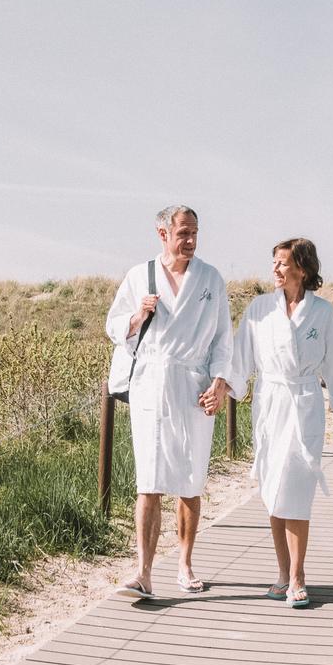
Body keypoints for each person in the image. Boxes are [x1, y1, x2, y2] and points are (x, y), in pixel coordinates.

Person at [104, 204, 235, 597]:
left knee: (190, 480)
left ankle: (185, 562)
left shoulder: (211, 279)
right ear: (163, 234)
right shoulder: (139, 276)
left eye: (195, 232)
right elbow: (113, 326)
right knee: (150, 479)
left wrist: (220, 384)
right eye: (183, 233)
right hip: (152, 383)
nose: (190, 240)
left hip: (194, 385)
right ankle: (143, 572)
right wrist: (137, 317)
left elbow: (223, 340)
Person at [228, 238, 333, 607]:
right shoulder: (259, 309)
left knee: (297, 492)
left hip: (304, 405)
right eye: (273, 262)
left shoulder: (322, 313)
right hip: (270, 405)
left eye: (282, 263)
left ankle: (299, 575)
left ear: (302, 269)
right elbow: (241, 359)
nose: (275, 269)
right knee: (273, 490)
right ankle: (282, 573)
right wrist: (223, 390)